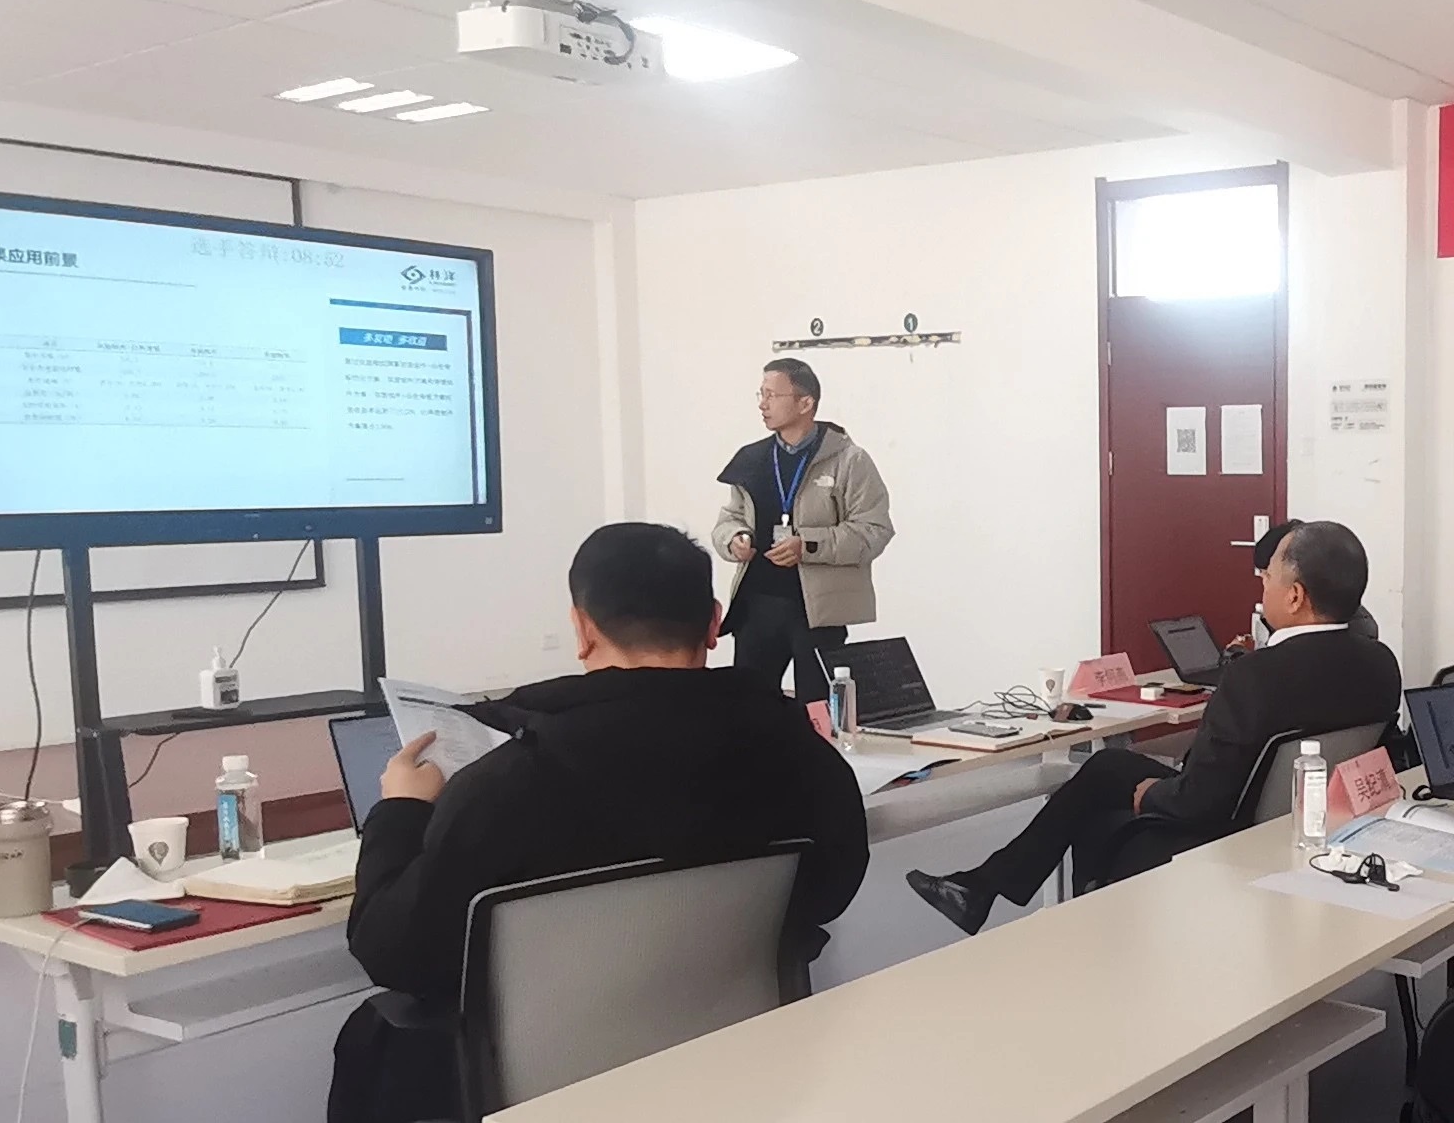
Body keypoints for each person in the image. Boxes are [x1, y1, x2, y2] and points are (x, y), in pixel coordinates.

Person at [330, 522, 870, 1123]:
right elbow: (831, 889)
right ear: (715, 624)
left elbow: (392, 952)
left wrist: (401, 810)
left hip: (543, 1095)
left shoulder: (508, 781)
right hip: (733, 1072)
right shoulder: (797, 751)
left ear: (583, 630)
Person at [907, 520, 1401, 936]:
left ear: (1294, 596)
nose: (1262, 588)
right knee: (1108, 767)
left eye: (1267, 577)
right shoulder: (1381, 664)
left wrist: (1152, 795)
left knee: (1104, 802)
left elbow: (1200, 800)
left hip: (1225, 829)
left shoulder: (1257, 675)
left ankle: (1050, 914)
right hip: (1305, 822)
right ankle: (982, 885)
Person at [713, 358, 893, 707]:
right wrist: (733, 539)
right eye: (761, 394)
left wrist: (808, 545)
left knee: (818, 711)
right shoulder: (752, 458)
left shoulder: (848, 460)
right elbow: (729, 518)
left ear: (805, 402)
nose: (763, 404)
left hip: (818, 612)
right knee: (748, 709)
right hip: (756, 605)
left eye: (772, 395)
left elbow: (874, 530)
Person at [1225, 518, 1379, 656]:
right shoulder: (1377, 651)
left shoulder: (1356, 631)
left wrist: (1238, 657)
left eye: (1268, 576)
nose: (1265, 586)